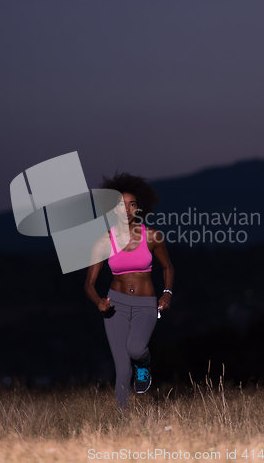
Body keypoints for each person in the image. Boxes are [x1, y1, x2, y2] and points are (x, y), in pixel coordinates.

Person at [84, 172, 174, 412]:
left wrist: (167, 292)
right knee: (122, 369)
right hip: (116, 306)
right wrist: (98, 302)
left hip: (146, 304)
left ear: (138, 208)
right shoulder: (104, 241)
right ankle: (122, 423)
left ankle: (144, 364)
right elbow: (89, 284)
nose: (126, 209)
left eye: (131, 204)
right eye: (120, 204)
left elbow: (167, 267)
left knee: (136, 348)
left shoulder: (152, 236)